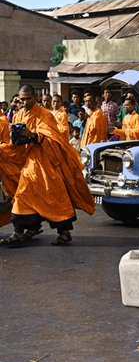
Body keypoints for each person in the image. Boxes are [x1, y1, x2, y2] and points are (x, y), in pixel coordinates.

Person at [0, 85, 95, 246]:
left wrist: (33, 135)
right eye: (21, 99)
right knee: (23, 196)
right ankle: (19, 231)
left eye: (28, 99)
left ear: (35, 97)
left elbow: (53, 139)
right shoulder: (18, 115)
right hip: (29, 162)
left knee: (54, 198)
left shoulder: (45, 115)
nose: (24, 102)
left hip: (46, 161)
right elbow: (15, 143)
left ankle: (64, 232)